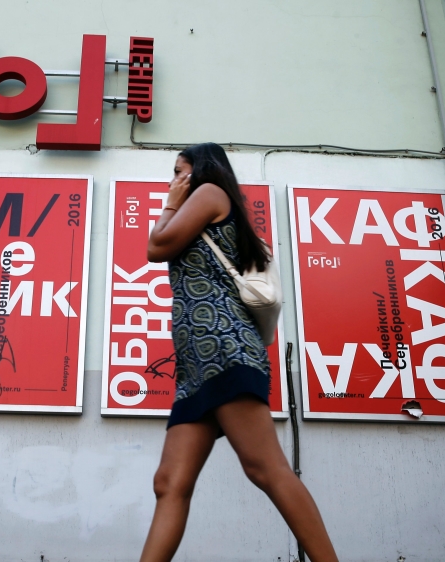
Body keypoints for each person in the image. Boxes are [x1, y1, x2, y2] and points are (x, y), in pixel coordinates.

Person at [140, 143, 338, 562]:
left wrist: (170, 204)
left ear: (201, 171)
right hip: (196, 365)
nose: (173, 180)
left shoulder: (209, 196)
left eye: (179, 171)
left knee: (265, 468)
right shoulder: (205, 202)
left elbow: (156, 248)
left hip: (225, 349)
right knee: (169, 482)